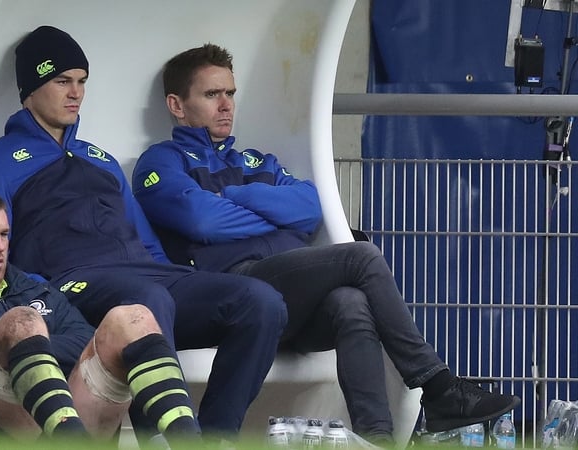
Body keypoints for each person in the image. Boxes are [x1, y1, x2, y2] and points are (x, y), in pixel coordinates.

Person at [131, 43, 522, 445]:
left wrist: (235, 195)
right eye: (212, 94)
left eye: (230, 93)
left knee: (350, 303)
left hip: (287, 293)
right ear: (177, 105)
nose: (226, 105)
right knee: (361, 256)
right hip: (230, 291)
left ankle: (377, 437)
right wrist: (273, 219)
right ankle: (438, 388)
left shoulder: (257, 162)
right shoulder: (162, 161)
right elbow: (203, 220)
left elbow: (310, 209)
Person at [0, 26, 287, 443]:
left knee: (260, 301)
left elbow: (147, 244)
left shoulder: (102, 160)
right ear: (31, 89)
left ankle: (215, 438)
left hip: (143, 277)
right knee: (147, 299)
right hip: (72, 284)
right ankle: (164, 439)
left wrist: (174, 278)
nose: (75, 93)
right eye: (62, 82)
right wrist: (39, 297)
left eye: (81, 82)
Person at [0, 185, 203, 447]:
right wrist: (24, 340)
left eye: (4, 234)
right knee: (22, 323)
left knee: (133, 319)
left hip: (57, 423)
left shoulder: (30, 288)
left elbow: (86, 339)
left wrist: (32, 348)